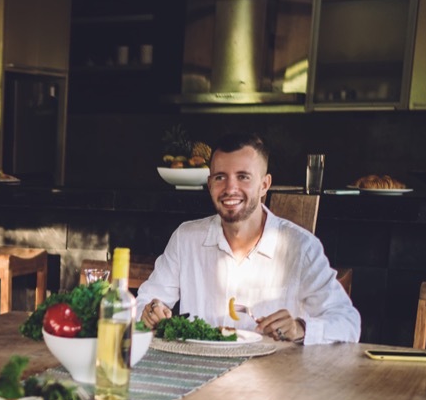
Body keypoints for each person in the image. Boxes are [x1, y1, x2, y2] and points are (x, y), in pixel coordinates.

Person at [137, 132, 360, 344]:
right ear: (210, 184)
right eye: (220, 177)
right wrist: (150, 311)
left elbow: (348, 323)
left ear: (264, 185)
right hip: (197, 371)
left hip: (275, 378)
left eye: (243, 177)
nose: (230, 188)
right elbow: (142, 305)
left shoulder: (301, 247)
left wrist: (300, 328)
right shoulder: (185, 238)